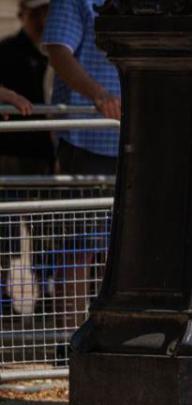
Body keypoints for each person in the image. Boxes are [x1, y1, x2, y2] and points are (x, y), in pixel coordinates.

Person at [42, 0, 121, 336]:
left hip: (138, 139)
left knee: (123, 248)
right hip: (89, 139)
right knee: (80, 245)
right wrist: (98, 94)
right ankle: (71, 340)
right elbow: (58, 51)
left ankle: (114, 336)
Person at [0, 0, 53, 316]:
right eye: (35, 14)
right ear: (22, 16)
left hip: (44, 154)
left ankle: (48, 294)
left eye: (46, 12)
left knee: (46, 229)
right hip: (10, 153)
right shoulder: (8, 50)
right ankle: (5, 299)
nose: (42, 19)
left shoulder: (57, 52)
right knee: (6, 230)